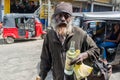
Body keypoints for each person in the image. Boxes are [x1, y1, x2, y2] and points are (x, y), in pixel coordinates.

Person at [39, 2, 100, 80]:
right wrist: (41, 76)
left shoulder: (80, 33)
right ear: (54, 18)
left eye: (66, 16)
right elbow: (45, 60)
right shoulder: (49, 36)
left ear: (71, 19)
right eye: (60, 15)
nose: (63, 19)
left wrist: (83, 55)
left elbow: (96, 50)